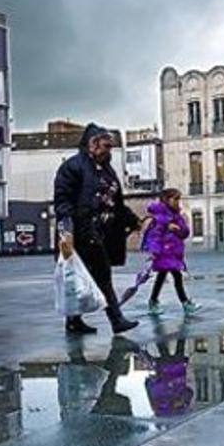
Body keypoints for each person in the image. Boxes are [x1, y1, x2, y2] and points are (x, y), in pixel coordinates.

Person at [54, 123, 142, 334]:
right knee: (91, 276)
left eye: (111, 146)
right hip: (81, 233)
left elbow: (116, 203)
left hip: (101, 233)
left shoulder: (107, 170)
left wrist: (133, 220)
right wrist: (69, 232)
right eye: (106, 146)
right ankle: (116, 320)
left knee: (84, 277)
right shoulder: (73, 167)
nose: (109, 150)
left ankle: (75, 321)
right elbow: (62, 201)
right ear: (93, 145)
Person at [142, 188, 200, 316]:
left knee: (162, 277)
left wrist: (179, 229)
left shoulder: (176, 215)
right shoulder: (159, 217)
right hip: (164, 252)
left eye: (179, 199)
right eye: (175, 199)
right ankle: (185, 303)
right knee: (176, 277)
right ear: (167, 199)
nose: (178, 202)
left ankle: (153, 300)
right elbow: (154, 236)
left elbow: (184, 232)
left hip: (173, 252)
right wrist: (154, 251)